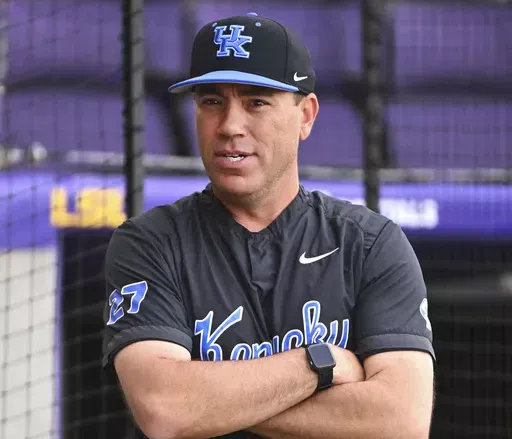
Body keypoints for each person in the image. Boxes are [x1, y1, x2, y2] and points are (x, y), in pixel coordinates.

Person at [102, 12, 435, 439]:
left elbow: (401, 421)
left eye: (256, 102)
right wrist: (319, 364)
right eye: (211, 101)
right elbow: (165, 408)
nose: (229, 126)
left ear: (306, 116)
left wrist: (210, 401)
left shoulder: (370, 244)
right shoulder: (150, 243)